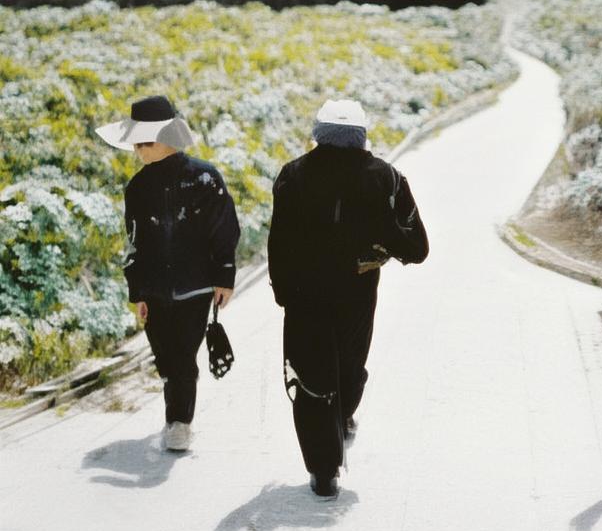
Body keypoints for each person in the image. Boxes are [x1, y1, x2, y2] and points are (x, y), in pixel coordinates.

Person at [268, 98, 428, 498]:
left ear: (318, 134)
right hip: (357, 293)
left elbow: (278, 242)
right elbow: (416, 246)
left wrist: (284, 293)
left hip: (304, 295)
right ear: (361, 136)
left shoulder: (292, 175)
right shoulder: (386, 177)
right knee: (350, 369)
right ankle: (341, 419)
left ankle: (323, 471)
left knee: (310, 379)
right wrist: (382, 250)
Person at [96, 95, 240, 453]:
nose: (138, 150)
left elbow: (225, 230)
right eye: (136, 143)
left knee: (182, 358)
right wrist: (138, 292)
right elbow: (135, 243)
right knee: (165, 358)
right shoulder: (138, 187)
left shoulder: (206, 178)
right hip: (155, 288)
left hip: (197, 287)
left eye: (144, 142)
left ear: (166, 139)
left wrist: (224, 277)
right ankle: (176, 414)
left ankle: (179, 423)